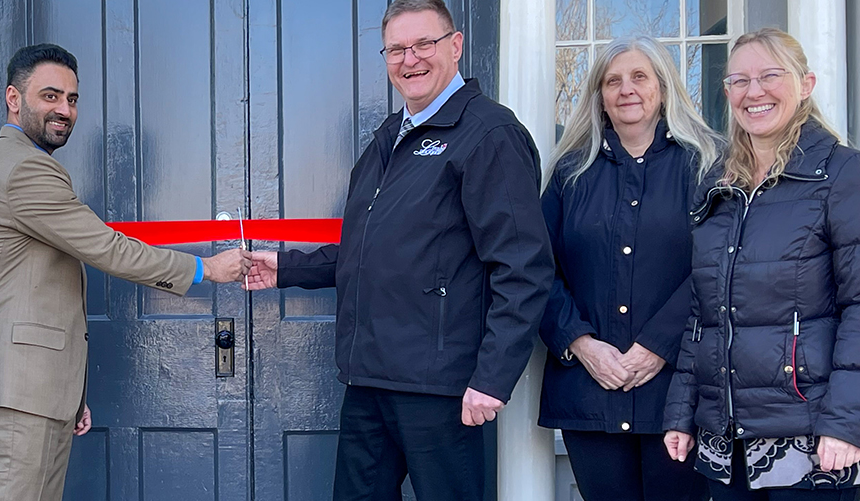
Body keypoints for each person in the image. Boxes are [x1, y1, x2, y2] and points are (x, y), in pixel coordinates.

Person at [244, 0, 554, 498]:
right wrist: (283, 267)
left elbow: (523, 269)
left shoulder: (489, 135)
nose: (410, 60)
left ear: (455, 47)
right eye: (396, 49)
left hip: (440, 389)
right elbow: (367, 251)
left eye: (423, 44)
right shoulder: (388, 138)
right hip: (368, 379)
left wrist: (493, 378)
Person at [0, 43, 251, 500]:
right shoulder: (25, 170)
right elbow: (107, 248)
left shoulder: (23, 165)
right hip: (17, 394)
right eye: (50, 96)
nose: (65, 110)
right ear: (13, 99)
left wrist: (69, 392)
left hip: (35, 390)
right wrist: (205, 267)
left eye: (72, 99)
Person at [663, 27, 860, 500]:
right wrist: (681, 411)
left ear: (805, 84)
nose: (754, 92)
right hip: (725, 440)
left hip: (811, 441)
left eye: (770, 76)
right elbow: (703, 313)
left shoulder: (841, 173)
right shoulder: (716, 184)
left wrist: (846, 423)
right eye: (738, 81)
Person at [538, 36, 718, 501]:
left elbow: (719, 266)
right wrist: (581, 345)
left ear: (663, 87)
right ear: (598, 96)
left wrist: (658, 346)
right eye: (612, 81)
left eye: (639, 77)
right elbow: (536, 269)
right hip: (588, 389)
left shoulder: (706, 166)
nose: (626, 89)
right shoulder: (570, 173)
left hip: (678, 394)